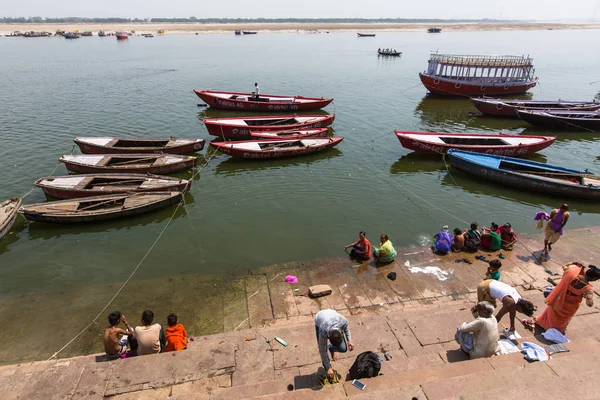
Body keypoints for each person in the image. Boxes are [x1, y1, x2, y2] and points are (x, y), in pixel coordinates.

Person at [535, 262, 600, 334]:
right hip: (570, 306)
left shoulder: (571, 273)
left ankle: (543, 323)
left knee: (552, 313)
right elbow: (589, 301)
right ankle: (553, 330)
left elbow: (564, 266)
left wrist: (572, 263)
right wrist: (589, 301)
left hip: (558, 298)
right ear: (594, 279)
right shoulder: (588, 288)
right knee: (561, 319)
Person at [315, 309, 354, 380]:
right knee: (323, 348)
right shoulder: (323, 331)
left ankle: (331, 348)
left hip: (332, 314)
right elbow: (322, 351)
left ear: (341, 333)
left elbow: (347, 328)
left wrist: (349, 340)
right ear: (328, 337)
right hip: (320, 319)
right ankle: (327, 369)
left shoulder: (343, 321)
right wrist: (328, 367)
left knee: (343, 348)